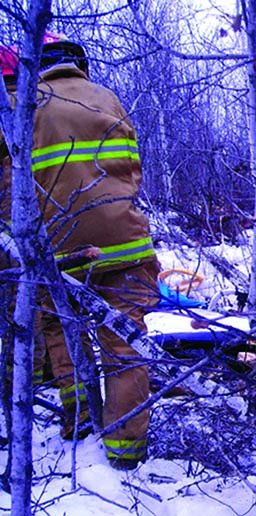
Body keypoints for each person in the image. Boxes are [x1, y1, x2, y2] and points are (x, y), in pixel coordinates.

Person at [0, 32, 160, 470]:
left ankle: (81, 420)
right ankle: (126, 453)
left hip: (58, 248)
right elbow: (132, 171)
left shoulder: (21, 106)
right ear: (78, 63)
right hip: (126, 241)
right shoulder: (108, 98)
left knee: (59, 328)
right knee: (124, 343)